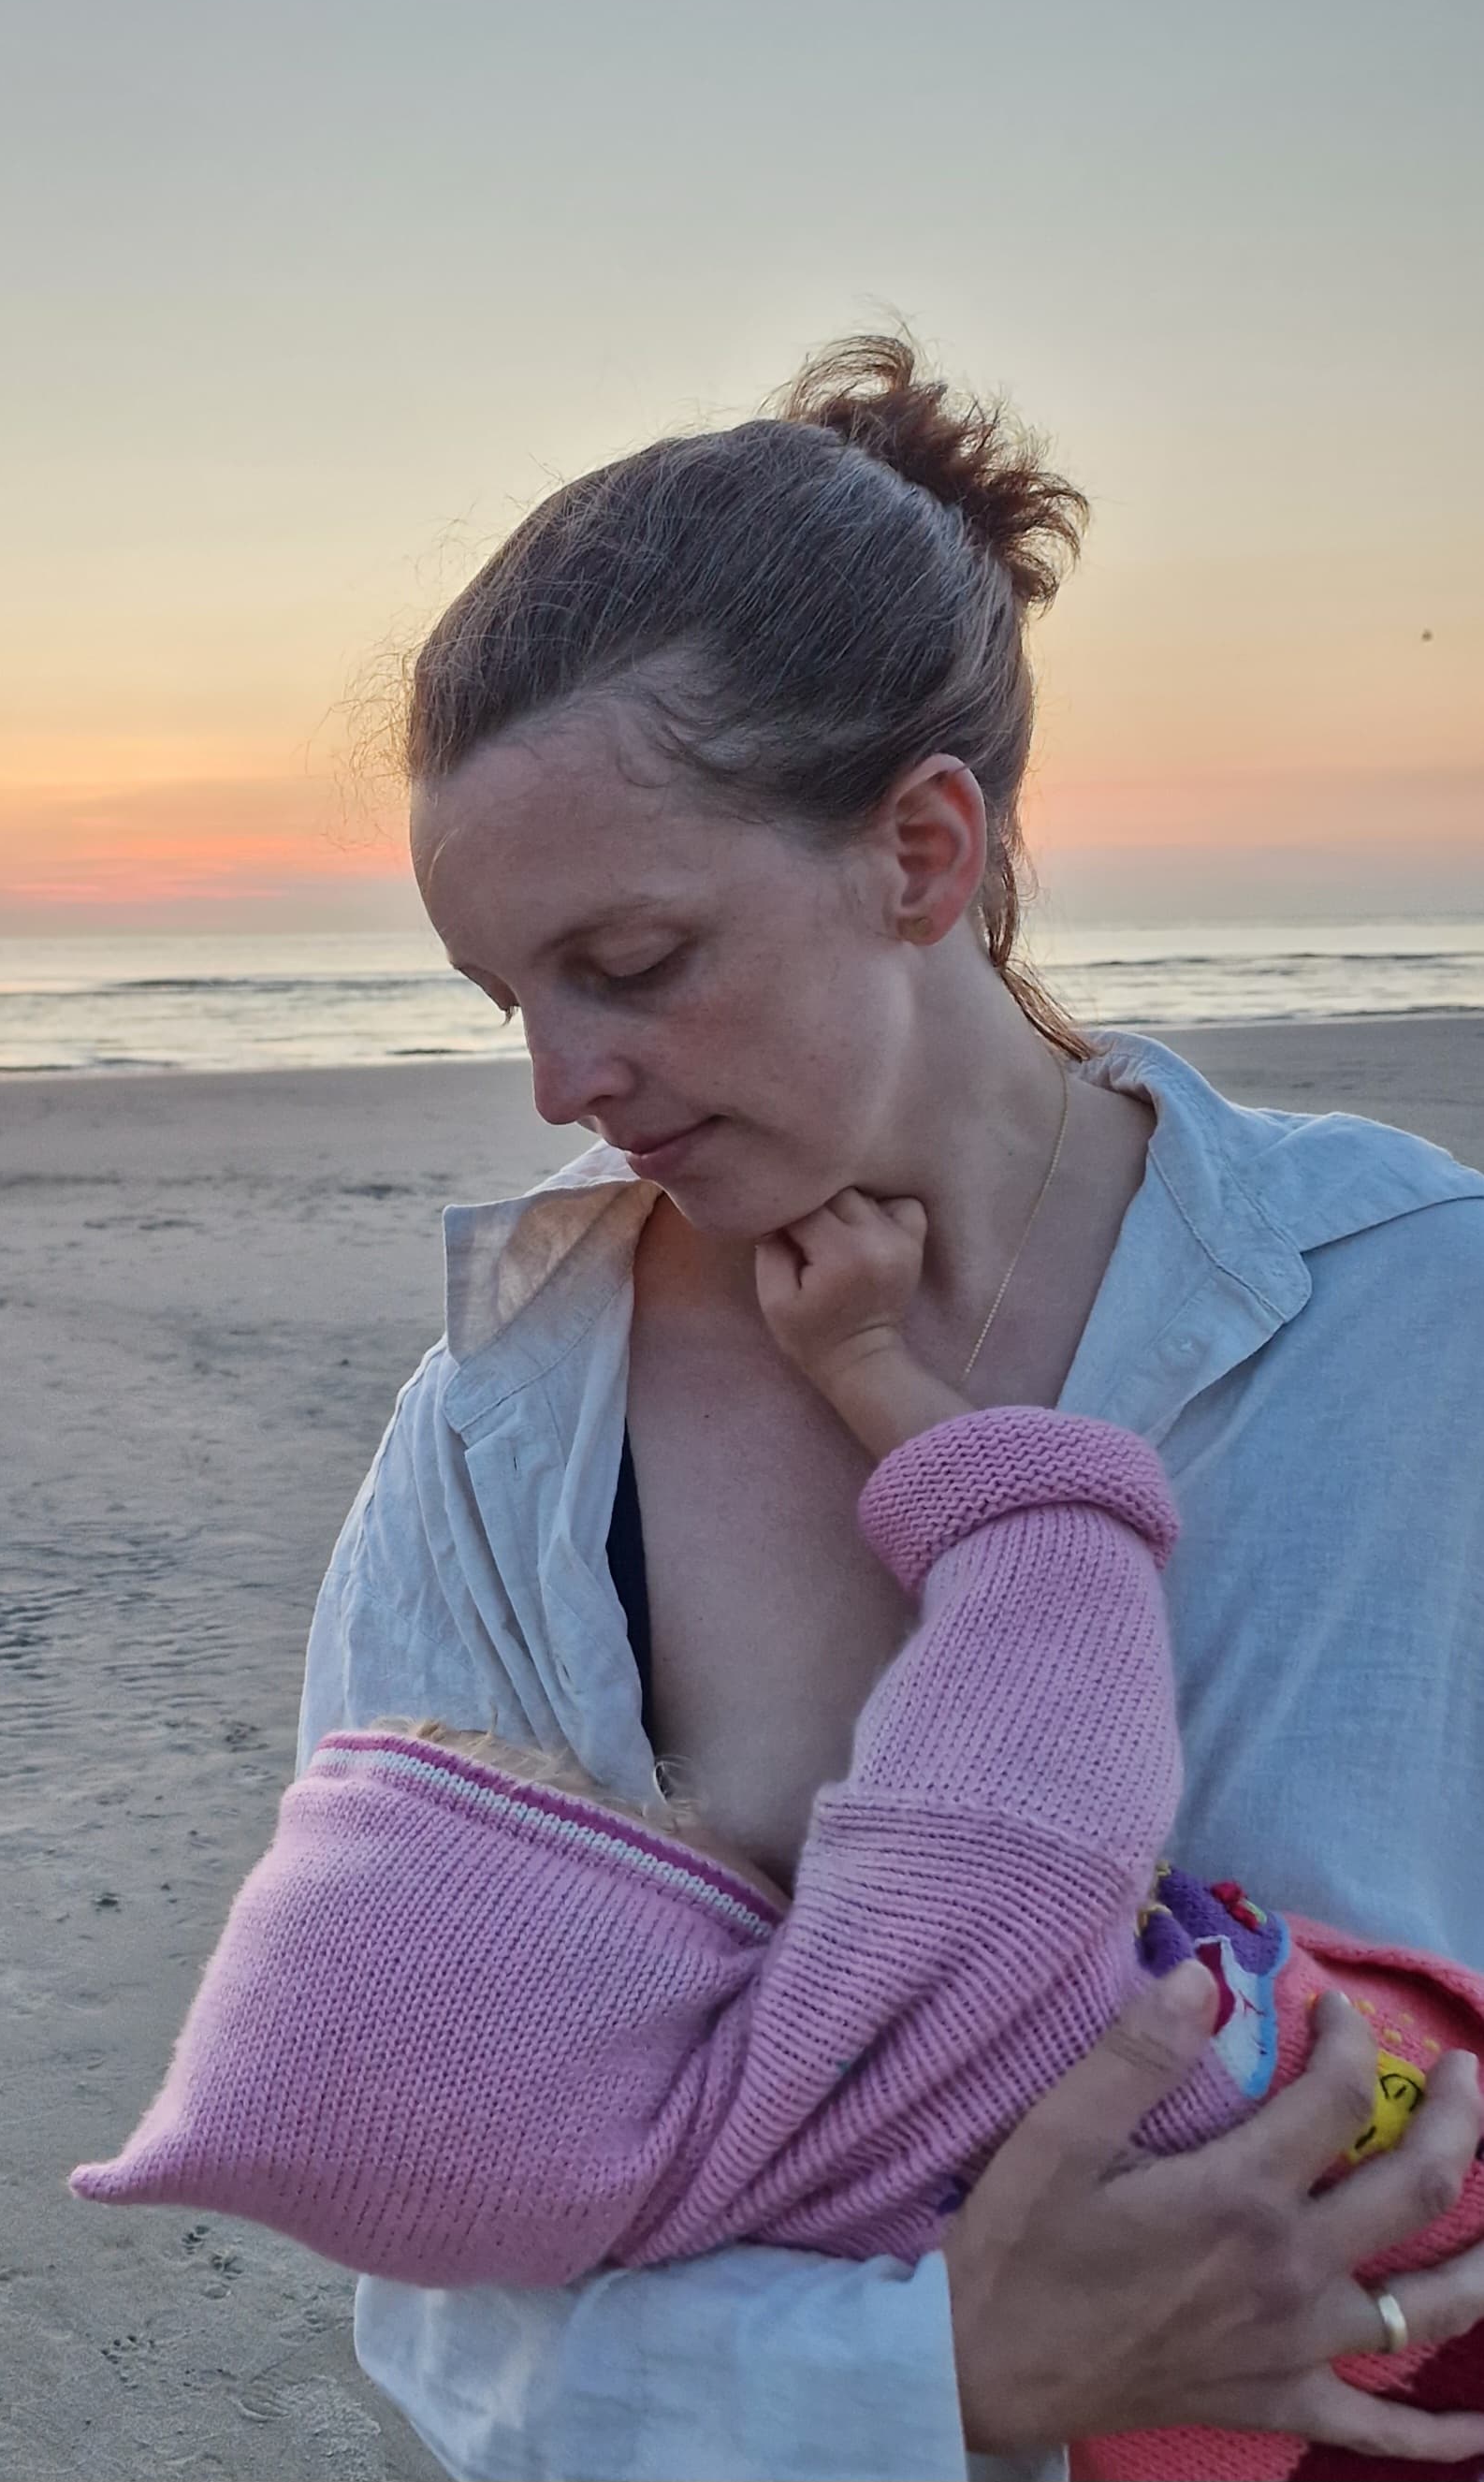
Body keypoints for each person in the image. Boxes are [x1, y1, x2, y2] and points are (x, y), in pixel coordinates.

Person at [261, 336, 1484, 2476]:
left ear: (922, 848)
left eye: (627, 961)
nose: (556, 1078)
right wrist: (936, 2380)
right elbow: (443, 2281)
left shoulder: (1417, 1325)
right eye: (506, 993)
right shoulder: (496, 1449)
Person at [72, 1187, 1484, 2478]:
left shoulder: (1414, 1272)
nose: (560, 1079)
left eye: (631, 960)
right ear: (595, 1988)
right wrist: (873, 1364)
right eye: (571, 1816)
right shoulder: (891, 1982)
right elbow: (1053, 1610)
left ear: (923, 883)